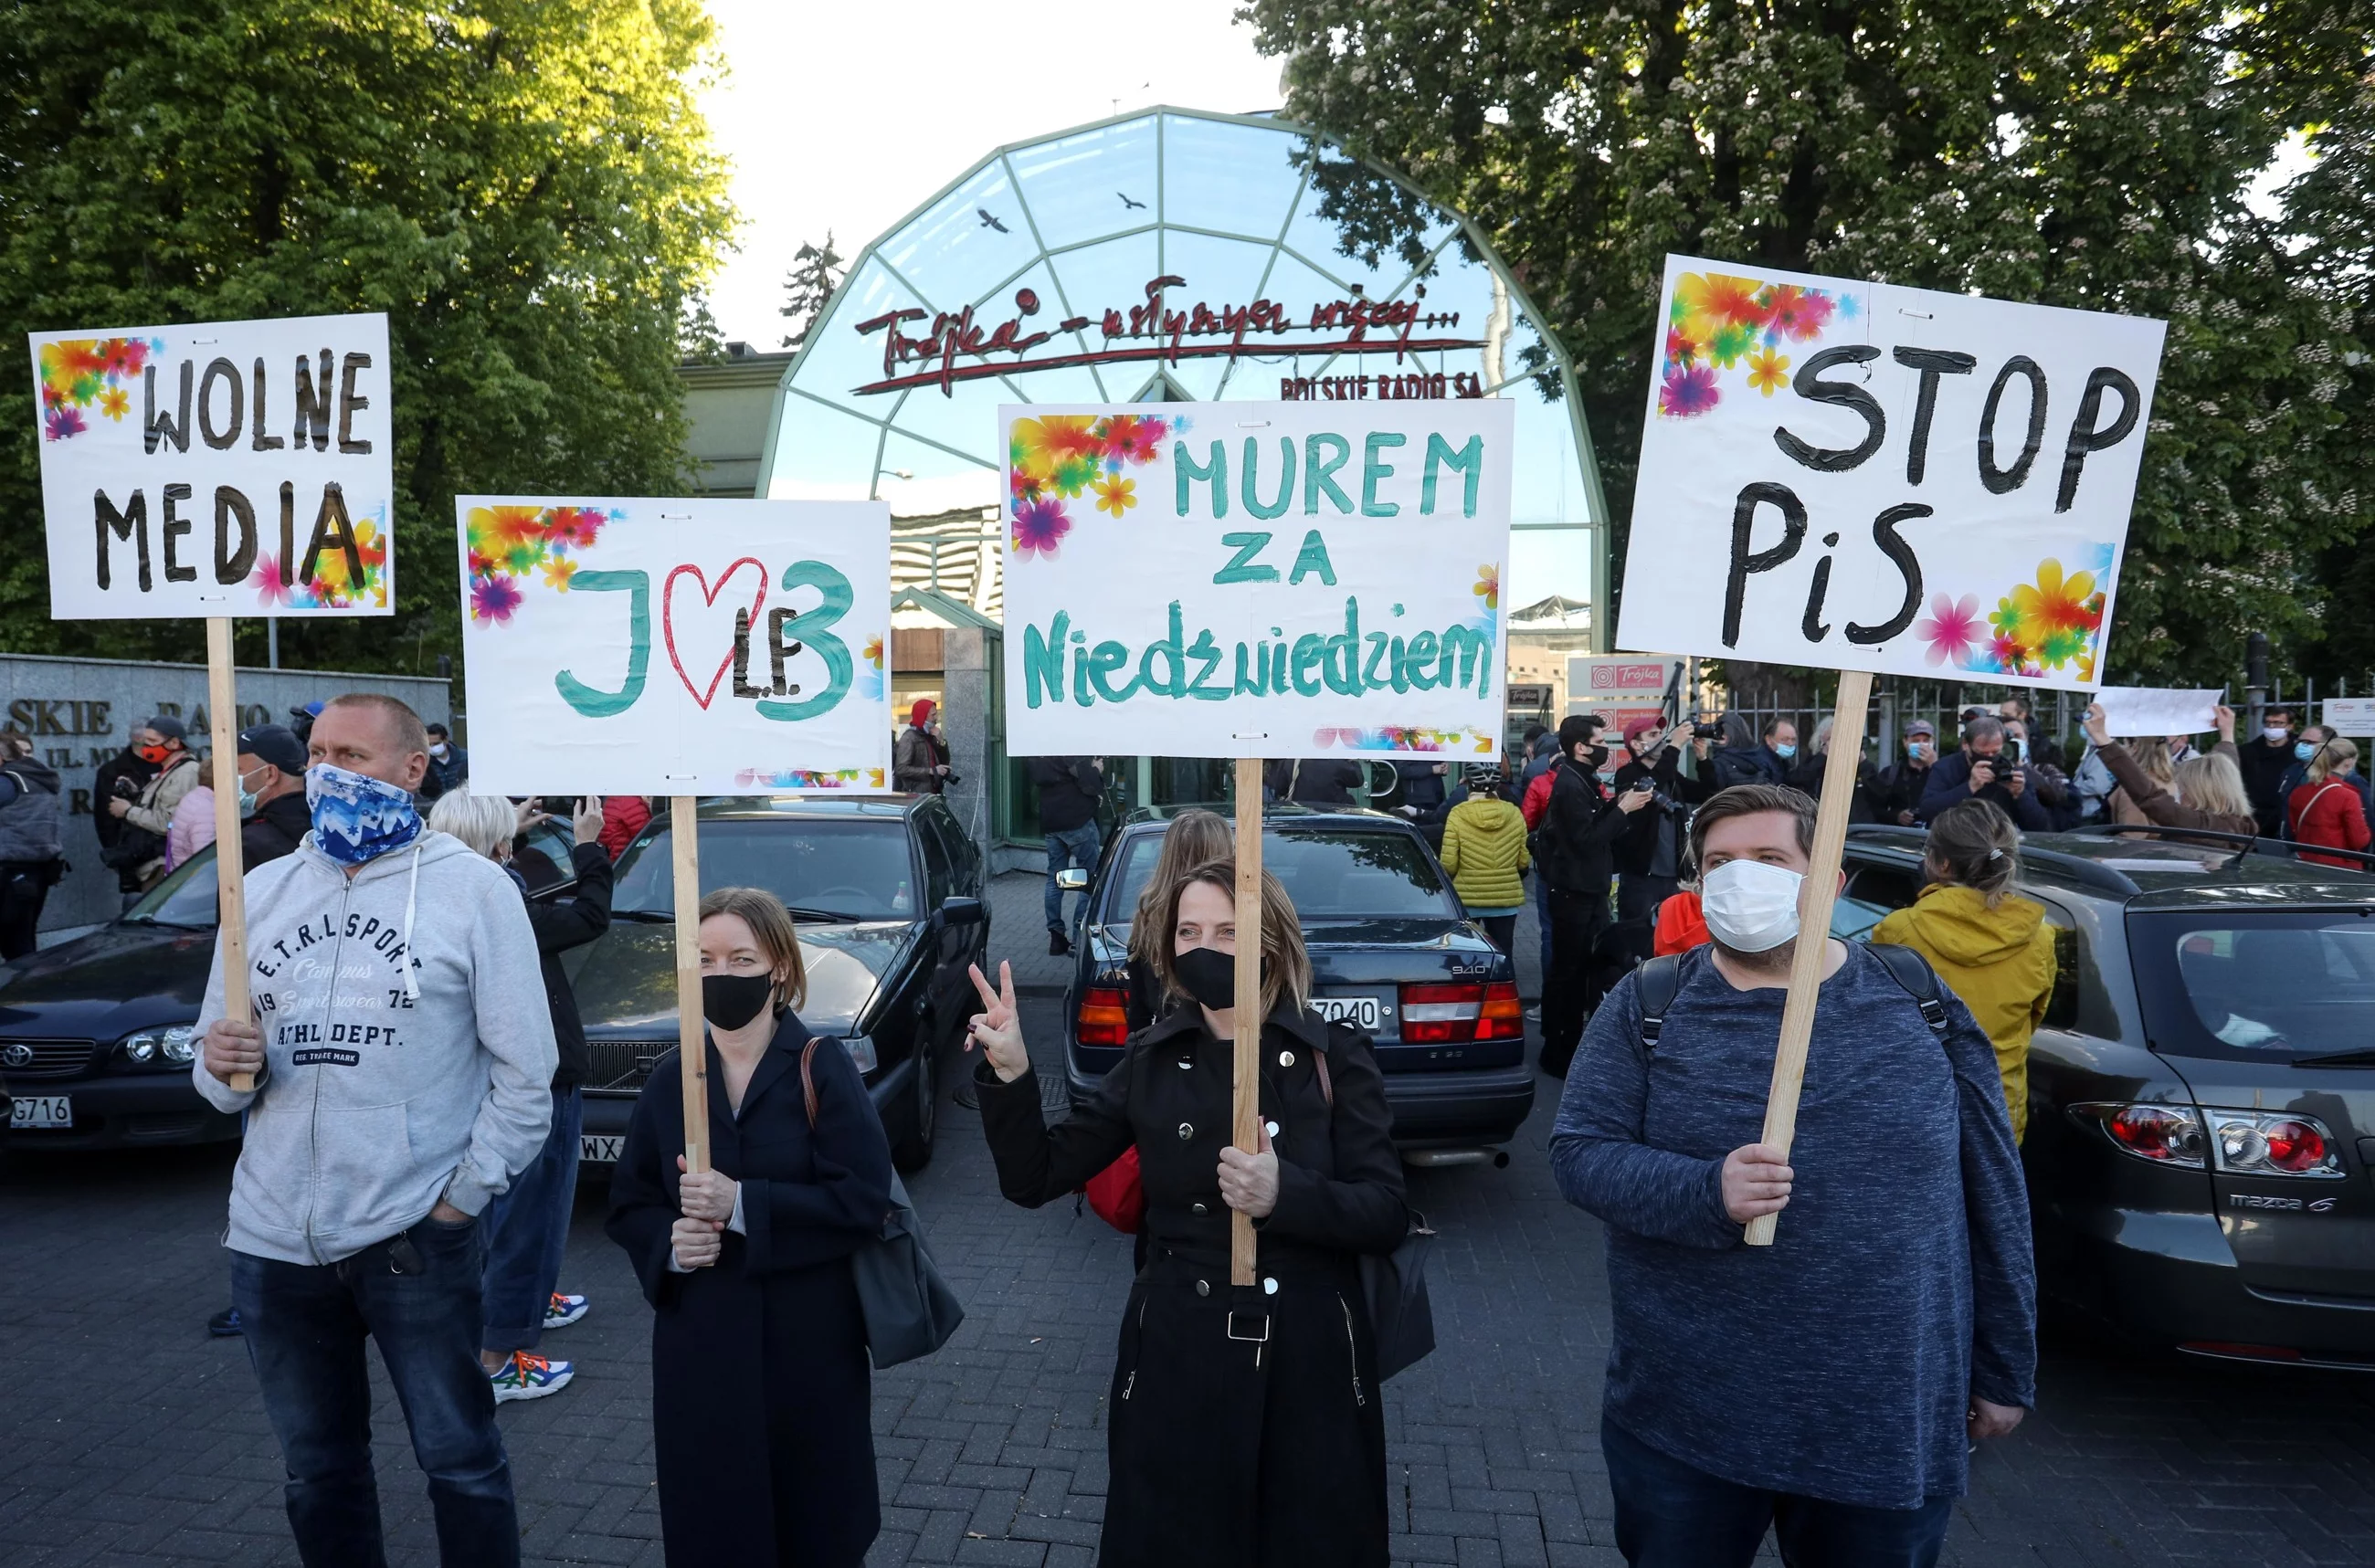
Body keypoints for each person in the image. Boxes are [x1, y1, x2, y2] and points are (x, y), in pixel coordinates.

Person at [1550, 784, 2035, 1567]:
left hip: (1882, 1418)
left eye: (1769, 859)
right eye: (1719, 862)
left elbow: (1994, 1191)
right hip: (1688, 1418)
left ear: (1829, 880)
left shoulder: (1919, 1003)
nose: (1741, 878)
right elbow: (1578, 1153)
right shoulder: (1648, 1006)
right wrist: (1705, 1193)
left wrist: (2007, 1365)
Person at [190, 693, 556, 1568]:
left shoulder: (475, 892)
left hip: (413, 1238)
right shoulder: (262, 892)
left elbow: (527, 1073)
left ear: (412, 767)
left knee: (460, 1461)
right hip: (275, 1243)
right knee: (317, 1472)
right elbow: (216, 1088)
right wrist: (221, 1061)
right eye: (317, 752)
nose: (327, 770)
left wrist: (459, 1201)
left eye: (351, 755)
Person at [966, 858, 1409, 1568]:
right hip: (1177, 1354)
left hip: (1308, 1362)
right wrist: (1014, 1073)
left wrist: (1284, 1194)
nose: (1207, 946)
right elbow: (1036, 1174)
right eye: (1190, 930)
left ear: (1270, 941)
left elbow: (1386, 1209)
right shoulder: (1151, 1055)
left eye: (1230, 930)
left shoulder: (1334, 1055)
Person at [607, 886, 896, 1568]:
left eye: (742, 958)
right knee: (716, 1529)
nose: (723, 975)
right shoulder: (674, 1078)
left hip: (809, 1351)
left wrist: (743, 1205)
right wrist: (669, 1246)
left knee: (815, 1528)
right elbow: (630, 1203)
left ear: (782, 970)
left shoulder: (822, 1067)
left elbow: (862, 1200)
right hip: (702, 1355)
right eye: (705, 959)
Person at [429, 790, 615, 1403]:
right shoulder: (491, 902)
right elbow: (588, 916)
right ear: (497, 845)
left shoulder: (438, 892)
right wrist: (589, 844)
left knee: (508, 1220)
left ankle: (522, 1310)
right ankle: (499, 1357)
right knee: (524, 1222)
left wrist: (516, 833)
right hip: (533, 1082)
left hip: (488, 1079)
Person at [206, 723, 341, 1341]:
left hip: (274, 1038)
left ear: (268, 773)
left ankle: (265, 1289)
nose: (224, 778)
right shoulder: (289, 840)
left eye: (236, 766)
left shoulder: (252, 848)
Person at [1873, 800, 2056, 1142]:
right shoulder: (2039, 936)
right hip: (2000, 1110)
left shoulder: (1899, 930)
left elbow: (1880, 1025)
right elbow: (2031, 1020)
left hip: (1922, 1107)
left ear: (1941, 863)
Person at [1540, 715, 1653, 1079]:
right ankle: (1558, 1048)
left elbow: (1589, 824)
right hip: (1574, 893)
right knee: (1569, 971)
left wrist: (1616, 804)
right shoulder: (1569, 785)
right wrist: (1621, 811)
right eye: (1600, 740)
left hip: (1588, 890)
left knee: (1585, 968)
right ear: (1581, 748)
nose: (1606, 746)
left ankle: (1574, 1042)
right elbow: (1585, 840)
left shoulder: (1580, 779)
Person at [1611, 718, 1716, 956]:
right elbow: (1650, 787)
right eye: (1652, 735)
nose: (1660, 738)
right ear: (1636, 746)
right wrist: (1675, 745)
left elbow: (1708, 792)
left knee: (1673, 942)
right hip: (1642, 878)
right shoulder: (1627, 775)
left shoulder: (1671, 775)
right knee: (1639, 943)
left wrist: (1702, 759)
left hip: (1673, 877)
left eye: (1661, 733)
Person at [1123, 809, 1236, 1030]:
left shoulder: (1148, 919)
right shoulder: (1245, 914)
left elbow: (1139, 1011)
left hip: (1169, 1047)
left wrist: (1140, 1057)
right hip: (1230, 1047)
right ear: (1226, 853)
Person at [2081, 703, 2257, 837]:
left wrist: (2103, 739)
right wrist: (2227, 733)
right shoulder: (2244, 824)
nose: (2182, 793)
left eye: (2185, 787)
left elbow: (2147, 796)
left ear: (2201, 792)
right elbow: (2226, 771)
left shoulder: (2195, 823)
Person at [1441, 763, 1530, 958]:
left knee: (1467, 958)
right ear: (1497, 785)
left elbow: (1449, 864)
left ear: (1467, 785)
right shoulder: (1514, 813)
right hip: (1505, 901)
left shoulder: (1458, 814)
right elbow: (1523, 861)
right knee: (1503, 956)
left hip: (1468, 899)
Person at [107, 715, 202, 899]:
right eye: (145, 741)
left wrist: (127, 811)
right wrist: (136, 794)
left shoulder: (185, 773)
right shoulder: (171, 771)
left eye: (152, 741)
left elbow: (168, 822)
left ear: (174, 743)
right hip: (153, 865)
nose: (146, 747)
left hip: (162, 865)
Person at [1916, 714, 2049, 830]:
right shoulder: (1946, 767)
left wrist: (2020, 795)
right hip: (1957, 842)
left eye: (1995, 752)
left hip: (1999, 843)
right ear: (1966, 745)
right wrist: (1970, 787)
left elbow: (2040, 826)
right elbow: (1928, 810)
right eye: (1982, 753)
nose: (1990, 757)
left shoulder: (2010, 767)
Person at [0, 731, 65, 961]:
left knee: (16, 947)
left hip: (10, 874)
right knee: (22, 940)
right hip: (36, 873)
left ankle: (23, 994)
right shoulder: (37, 779)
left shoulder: (7, 782)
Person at [1032, 755, 1106, 955]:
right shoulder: (1069, 749)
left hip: (1052, 823)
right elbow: (1087, 782)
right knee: (1089, 878)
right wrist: (1096, 770)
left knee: (1054, 878)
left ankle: (1056, 937)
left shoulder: (1038, 752)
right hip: (1077, 821)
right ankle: (1077, 938)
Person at [93, 736, 160, 909]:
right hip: (132, 854)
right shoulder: (112, 771)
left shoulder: (169, 767)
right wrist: (117, 853)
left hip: (162, 854)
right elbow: (105, 820)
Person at [235, 725, 315, 866]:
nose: (231, 778)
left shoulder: (251, 844)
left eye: (238, 770)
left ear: (270, 774)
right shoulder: (326, 824)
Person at [2286, 737, 2371, 869]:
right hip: (2339, 867)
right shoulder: (2348, 796)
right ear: (2348, 763)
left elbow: (2294, 829)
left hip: (2305, 862)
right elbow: (2359, 840)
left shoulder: (2298, 792)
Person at [1785, 715, 1879, 823]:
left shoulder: (1861, 766)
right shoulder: (1814, 763)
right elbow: (1795, 783)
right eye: (1832, 738)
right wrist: (1824, 755)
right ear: (1821, 741)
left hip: (1858, 828)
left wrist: (1863, 762)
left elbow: (1880, 794)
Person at [2238, 705, 2298, 837]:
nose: (2272, 727)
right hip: (2255, 815)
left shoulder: (2298, 751)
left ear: (2290, 726)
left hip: (2287, 815)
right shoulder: (2248, 751)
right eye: (2268, 723)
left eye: (2278, 723)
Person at [1871, 720, 1938, 826]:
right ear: (1906, 742)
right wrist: (1896, 816)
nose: (1921, 745)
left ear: (1932, 742)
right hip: (1901, 835)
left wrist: (1935, 767)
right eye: (1916, 741)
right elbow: (1874, 808)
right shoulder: (1890, 774)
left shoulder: (1944, 771)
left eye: (1926, 741)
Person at [894, 699, 952, 793]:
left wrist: (941, 741)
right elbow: (901, 769)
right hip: (915, 794)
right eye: (933, 715)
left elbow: (945, 762)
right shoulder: (909, 738)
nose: (936, 718)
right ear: (923, 716)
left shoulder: (930, 735)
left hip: (933, 792)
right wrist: (930, 771)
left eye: (936, 714)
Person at [1995, 695, 2064, 771]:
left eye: (2007, 715)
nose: (2002, 717)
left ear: (2022, 715)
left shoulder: (2044, 746)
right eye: (2001, 714)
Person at [1266, 755, 1363, 805]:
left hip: (1300, 818)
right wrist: (1352, 759)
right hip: (1335, 819)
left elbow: (1280, 788)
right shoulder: (1337, 763)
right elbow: (1358, 780)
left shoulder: (1289, 763)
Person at [165, 778, 217, 871]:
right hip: (192, 877)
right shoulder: (206, 811)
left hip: (180, 870)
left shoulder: (195, 796)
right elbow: (205, 860)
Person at [420, 722, 470, 800]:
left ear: (446, 740)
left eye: (436, 744)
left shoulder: (465, 758)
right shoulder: (425, 763)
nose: (432, 747)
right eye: (429, 744)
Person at [598, 794, 653, 860]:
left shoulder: (614, 799)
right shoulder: (632, 803)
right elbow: (647, 839)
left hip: (613, 858)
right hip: (628, 861)